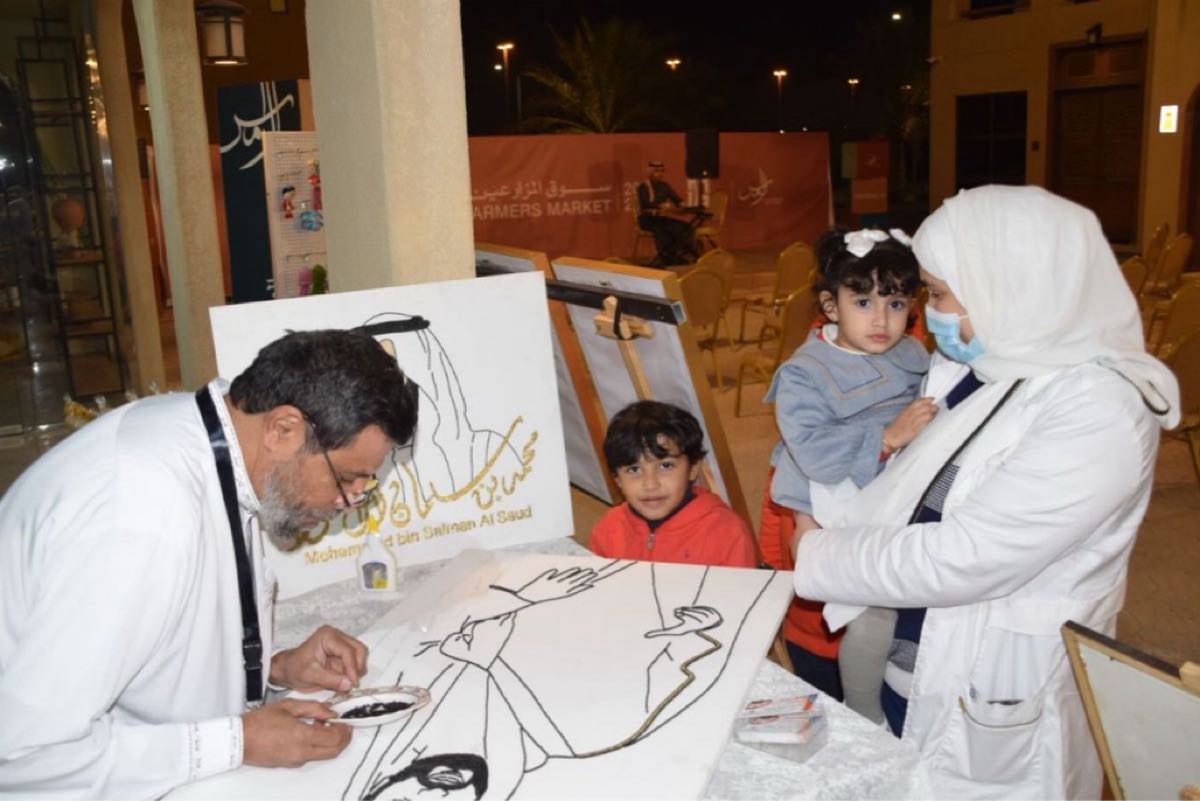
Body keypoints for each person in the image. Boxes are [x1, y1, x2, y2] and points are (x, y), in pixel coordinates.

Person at [791, 185, 1180, 799]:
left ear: (1010, 285)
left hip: (988, 680)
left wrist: (817, 554)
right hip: (915, 649)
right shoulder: (993, 361)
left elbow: (965, 556)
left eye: (940, 294)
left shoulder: (1099, 411)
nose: (930, 315)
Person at [0, 329, 419, 798]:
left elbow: (155, 647)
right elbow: (21, 755)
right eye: (345, 479)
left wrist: (274, 670)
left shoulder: (216, 446)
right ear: (283, 429)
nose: (348, 503)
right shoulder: (139, 514)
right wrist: (237, 742)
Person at [758, 227, 933, 703]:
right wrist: (887, 437)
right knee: (869, 613)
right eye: (863, 302)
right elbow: (813, 451)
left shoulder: (910, 353)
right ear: (831, 307)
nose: (881, 320)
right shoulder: (805, 372)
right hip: (826, 497)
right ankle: (863, 710)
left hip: (889, 489)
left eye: (896, 304)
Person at [590, 400, 757, 568]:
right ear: (617, 479)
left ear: (693, 468)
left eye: (665, 466)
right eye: (634, 470)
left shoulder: (727, 533)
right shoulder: (609, 529)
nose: (650, 484)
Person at [636, 160, 700, 266]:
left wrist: (681, 204)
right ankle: (665, 258)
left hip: (662, 219)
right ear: (650, 172)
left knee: (686, 227)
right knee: (661, 229)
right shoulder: (643, 186)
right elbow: (646, 204)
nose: (659, 173)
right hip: (647, 219)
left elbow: (677, 199)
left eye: (662, 171)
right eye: (656, 171)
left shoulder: (665, 186)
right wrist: (660, 206)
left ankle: (682, 255)